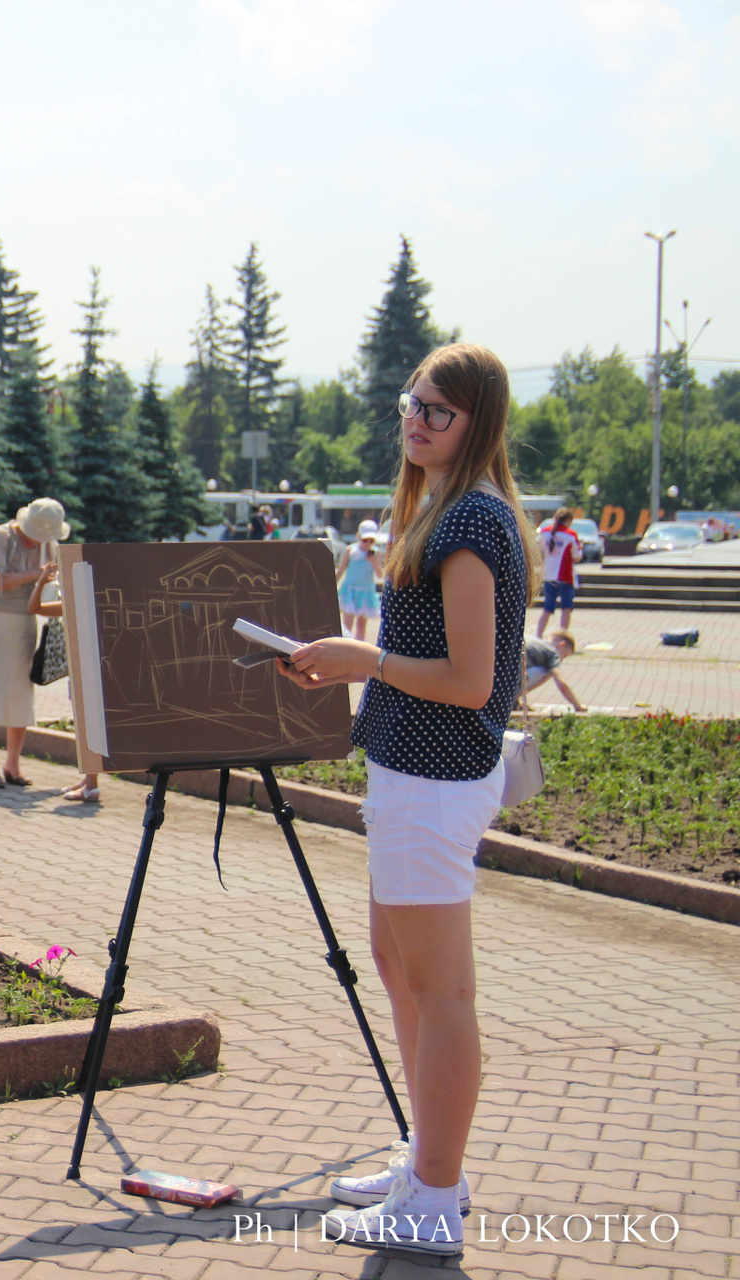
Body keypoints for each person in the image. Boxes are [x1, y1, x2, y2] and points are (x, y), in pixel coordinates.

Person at [272, 343, 536, 1257]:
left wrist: (365, 661)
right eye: (410, 404)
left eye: (437, 411)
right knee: (399, 968)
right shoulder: (446, 509)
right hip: (413, 773)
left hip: (436, 780)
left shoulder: (471, 522)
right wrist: (356, 668)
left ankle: (434, 1197)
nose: (415, 422)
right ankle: (428, 1163)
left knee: (441, 990)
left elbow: (471, 681)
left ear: (476, 422)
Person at [0, 498, 68, 789]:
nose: (40, 539)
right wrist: (36, 574)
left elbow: (51, 585)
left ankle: (13, 764)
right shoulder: (2, 536)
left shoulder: (48, 544)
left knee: (20, 690)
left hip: (24, 620)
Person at [26, 560, 100, 804]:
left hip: (86, 674)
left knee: (88, 728)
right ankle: (89, 780)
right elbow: (34, 607)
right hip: (81, 673)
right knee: (85, 726)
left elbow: (34, 607)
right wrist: (43, 580)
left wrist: (42, 581)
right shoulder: (79, 604)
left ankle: (91, 785)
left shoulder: (78, 606)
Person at [537, 507, 581, 637]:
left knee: (547, 607)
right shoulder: (570, 535)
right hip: (565, 575)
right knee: (566, 607)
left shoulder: (544, 532)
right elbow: (576, 556)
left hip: (548, 574)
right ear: (568, 520)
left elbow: (539, 551)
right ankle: (562, 635)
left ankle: (538, 635)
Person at [336, 518, 384, 641]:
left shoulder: (376, 553)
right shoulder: (350, 550)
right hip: (350, 590)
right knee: (347, 625)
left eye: (371, 541)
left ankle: (359, 648)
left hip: (366, 592)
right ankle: (345, 647)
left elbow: (380, 575)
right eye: (365, 540)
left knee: (361, 626)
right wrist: (332, 585)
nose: (368, 544)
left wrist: (374, 562)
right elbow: (341, 570)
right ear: (358, 536)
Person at [521, 630, 585, 713]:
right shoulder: (552, 653)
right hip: (510, 677)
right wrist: (577, 705)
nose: (561, 660)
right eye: (564, 656)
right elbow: (561, 684)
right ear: (561, 645)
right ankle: (513, 698)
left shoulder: (534, 640)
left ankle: (514, 700)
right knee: (548, 671)